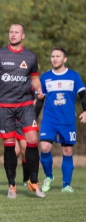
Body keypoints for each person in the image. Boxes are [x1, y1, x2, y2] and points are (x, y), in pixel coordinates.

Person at [0, 23, 45, 198]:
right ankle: (12, 185)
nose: (13, 34)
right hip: (3, 107)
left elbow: (35, 79)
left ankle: (33, 182)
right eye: (11, 32)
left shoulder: (30, 57)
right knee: (9, 146)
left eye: (17, 32)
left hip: (24, 105)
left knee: (32, 140)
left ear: (23, 35)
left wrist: (39, 91)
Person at [35, 47, 86, 193]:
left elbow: (83, 95)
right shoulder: (45, 78)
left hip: (67, 120)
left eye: (58, 56)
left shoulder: (74, 76)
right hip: (49, 120)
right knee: (44, 148)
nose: (55, 58)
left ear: (65, 59)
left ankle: (66, 185)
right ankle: (49, 177)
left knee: (67, 151)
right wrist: (33, 118)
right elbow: (39, 100)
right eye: (52, 56)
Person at [0, 75, 30, 186]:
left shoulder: (20, 76)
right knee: (14, 151)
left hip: (21, 117)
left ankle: (26, 179)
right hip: (5, 117)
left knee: (25, 149)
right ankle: (11, 180)